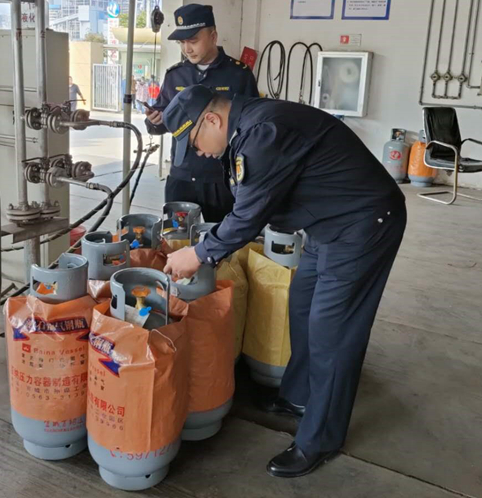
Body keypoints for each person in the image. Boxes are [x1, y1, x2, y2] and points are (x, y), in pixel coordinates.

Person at [162, 85, 407, 478]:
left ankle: (321, 439)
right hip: (327, 225)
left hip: (362, 225)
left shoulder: (264, 132)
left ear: (212, 120)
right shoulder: (248, 126)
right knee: (303, 305)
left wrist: (199, 254)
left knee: (333, 334)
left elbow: (248, 215)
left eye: (195, 143)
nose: (200, 153)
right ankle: (298, 397)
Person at [144, 4, 259, 222]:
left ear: (213, 36)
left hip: (221, 178)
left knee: (224, 236)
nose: (187, 49)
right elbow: (160, 123)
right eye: (181, 42)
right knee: (176, 235)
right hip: (182, 175)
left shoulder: (238, 75)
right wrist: (154, 121)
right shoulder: (175, 76)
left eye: (193, 40)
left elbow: (252, 128)